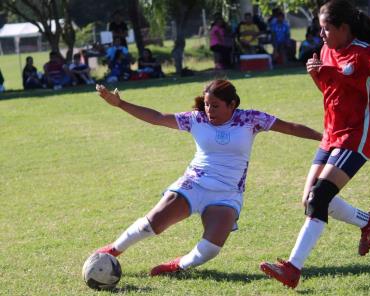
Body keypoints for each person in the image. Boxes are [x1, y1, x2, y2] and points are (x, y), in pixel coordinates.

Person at [94, 79, 323, 276]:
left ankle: (178, 266)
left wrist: (325, 139)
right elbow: (157, 117)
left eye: (215, 105)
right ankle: (113, 250)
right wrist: (120, 104)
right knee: (153, 223)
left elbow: (290, 127)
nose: (209, 110)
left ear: (232, 104)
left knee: (211, 249)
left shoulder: (250, 119)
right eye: (206, 104)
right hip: (193, 183)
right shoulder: (196, 119)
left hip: (227, 193)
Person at [260, 0, 370, 289]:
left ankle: (293, 268)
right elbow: (331, 91)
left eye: (326, 28)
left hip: (356, 136)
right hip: (331, 134)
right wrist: (317, 74)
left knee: (319, 198)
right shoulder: (326, 51)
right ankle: (368, 222)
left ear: (344, 28)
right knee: (310, 201)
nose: (322, 34)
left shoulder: (363, 53)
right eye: (320, 28)